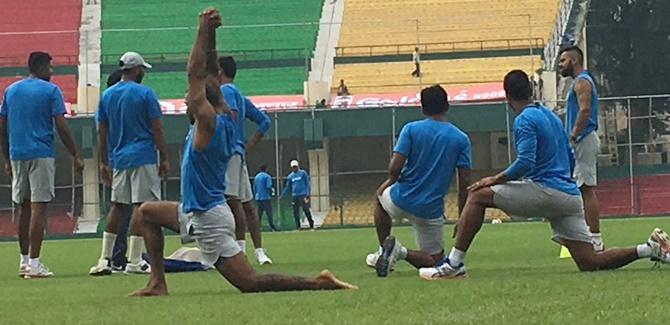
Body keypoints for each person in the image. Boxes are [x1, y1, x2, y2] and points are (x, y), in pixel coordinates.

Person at [129, 9, 356, 296]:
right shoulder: (225, 114)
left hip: (208, 218)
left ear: (202, 104)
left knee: (250, 283)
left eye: (190, 98)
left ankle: (318, 282)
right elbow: (209, 72)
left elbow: (195, 74)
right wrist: (212, 34)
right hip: (196, 210)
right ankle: (157, 283)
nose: (187, 99)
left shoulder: (207, 125)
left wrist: (201, 29)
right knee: (147, 213)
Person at [418, 70, 670, 280]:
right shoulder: (550, 115)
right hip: (569, 196)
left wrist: (494, 179)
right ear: (531, 90)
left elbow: (525, 162)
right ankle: (648, 249)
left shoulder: (524, 119)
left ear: (507, 96)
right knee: (590, 262)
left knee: (478, 194)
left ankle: (454, 264)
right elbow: (570, 156)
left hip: (547, 192)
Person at [365, 85, 472, 277]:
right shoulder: (461, 138)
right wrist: (463, 215)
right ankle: (399, 253)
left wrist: (390, 180)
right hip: (429, 210)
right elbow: (464, 181)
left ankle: (386, 250)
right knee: (436, 263)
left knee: (380, 200)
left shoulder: (411, 129)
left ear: (422, 109)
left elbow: (396, 165)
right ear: (447, 106)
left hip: (401, 197)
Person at [0, 51, 84, 278]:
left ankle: (24, 260)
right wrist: (75, 153)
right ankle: (35, 265)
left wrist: (6, 158)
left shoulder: (11, 90)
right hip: (41, 153)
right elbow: (61, 125)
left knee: (22, 207)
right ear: (40, 67)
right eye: (50, 67)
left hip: (18, 153)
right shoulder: (51, 91)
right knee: (39, 206)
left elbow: (3, 126)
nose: (52, 71)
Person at [89, 51, 169, 276]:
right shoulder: (145, 94)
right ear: (135, 70)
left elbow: (101, 131)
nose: (143, 72)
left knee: (117, 205)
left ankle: (105, 258)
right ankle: (135, 260)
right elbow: (157, 127)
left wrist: (104, 161)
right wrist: (164, 157)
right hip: (143, 155)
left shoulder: (107, 96)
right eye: (142, 68)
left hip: (119, 157)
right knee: (141, 207)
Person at [218, 55, 273, 265]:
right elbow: (264, 121)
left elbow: (229, 117)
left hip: (228, 153)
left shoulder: (227, 91)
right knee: (247, 205)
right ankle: (259, 250)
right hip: (238, 153)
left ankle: (239, 251)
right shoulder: (238, 93)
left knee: (233, 202)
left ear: (220, 71)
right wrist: (247, 145)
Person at [558, 45, 603, 251]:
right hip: (580, 139)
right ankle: (576, 233)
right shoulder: (577, 82)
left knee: (586, 188)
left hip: (583, 138)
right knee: (578, 187)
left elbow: (585, 111)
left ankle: (595, 238)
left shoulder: (583, 82)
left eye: (563, 61)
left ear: (574, 61)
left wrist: (574, 135)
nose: (560, 65)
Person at [105, 68, 137, 272]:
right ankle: (123, 257)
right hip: (129, 160)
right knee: (131, 211)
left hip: (115, 161)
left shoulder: (107, 105)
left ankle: (112, 257)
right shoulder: (122, 106)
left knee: (120, 209)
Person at [281, 160, 315, 230]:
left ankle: (311, 224)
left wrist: (307, 193)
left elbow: (307, 183)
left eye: (295, 167)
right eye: (293, 167)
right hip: (295, 196)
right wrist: (283, 195)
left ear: (298, 166)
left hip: (303, 195)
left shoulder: (303, 173)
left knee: (306, 209)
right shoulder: (290, 176)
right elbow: (288, 187)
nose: (294, 168)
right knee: (295, 211)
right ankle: (298, 226)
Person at [254, 165, 278, 232]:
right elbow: (269, 186)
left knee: (259, 214)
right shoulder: (267, 176)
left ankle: (257, 227)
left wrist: (256, 194)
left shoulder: (256, 177)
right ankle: (272, 227)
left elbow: (254, 188)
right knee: (269, 213)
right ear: (266, 169)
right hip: (266, 197)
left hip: (258, 197)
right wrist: (271, 193)